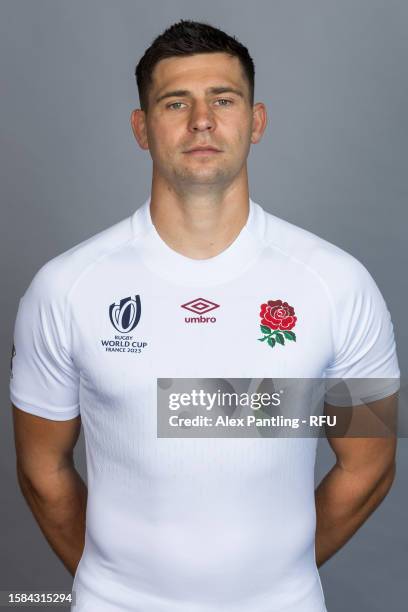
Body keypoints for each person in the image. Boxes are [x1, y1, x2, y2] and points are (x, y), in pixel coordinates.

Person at [10, 19, 400, 612]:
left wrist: (272, 580)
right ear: (142, 128)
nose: (202, 120)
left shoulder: (338, 284)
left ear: (256, 120)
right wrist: (116, 588)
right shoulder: (66, 288)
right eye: (176, 102)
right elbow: (42, 470)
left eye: (223, 98)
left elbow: (370, 465)